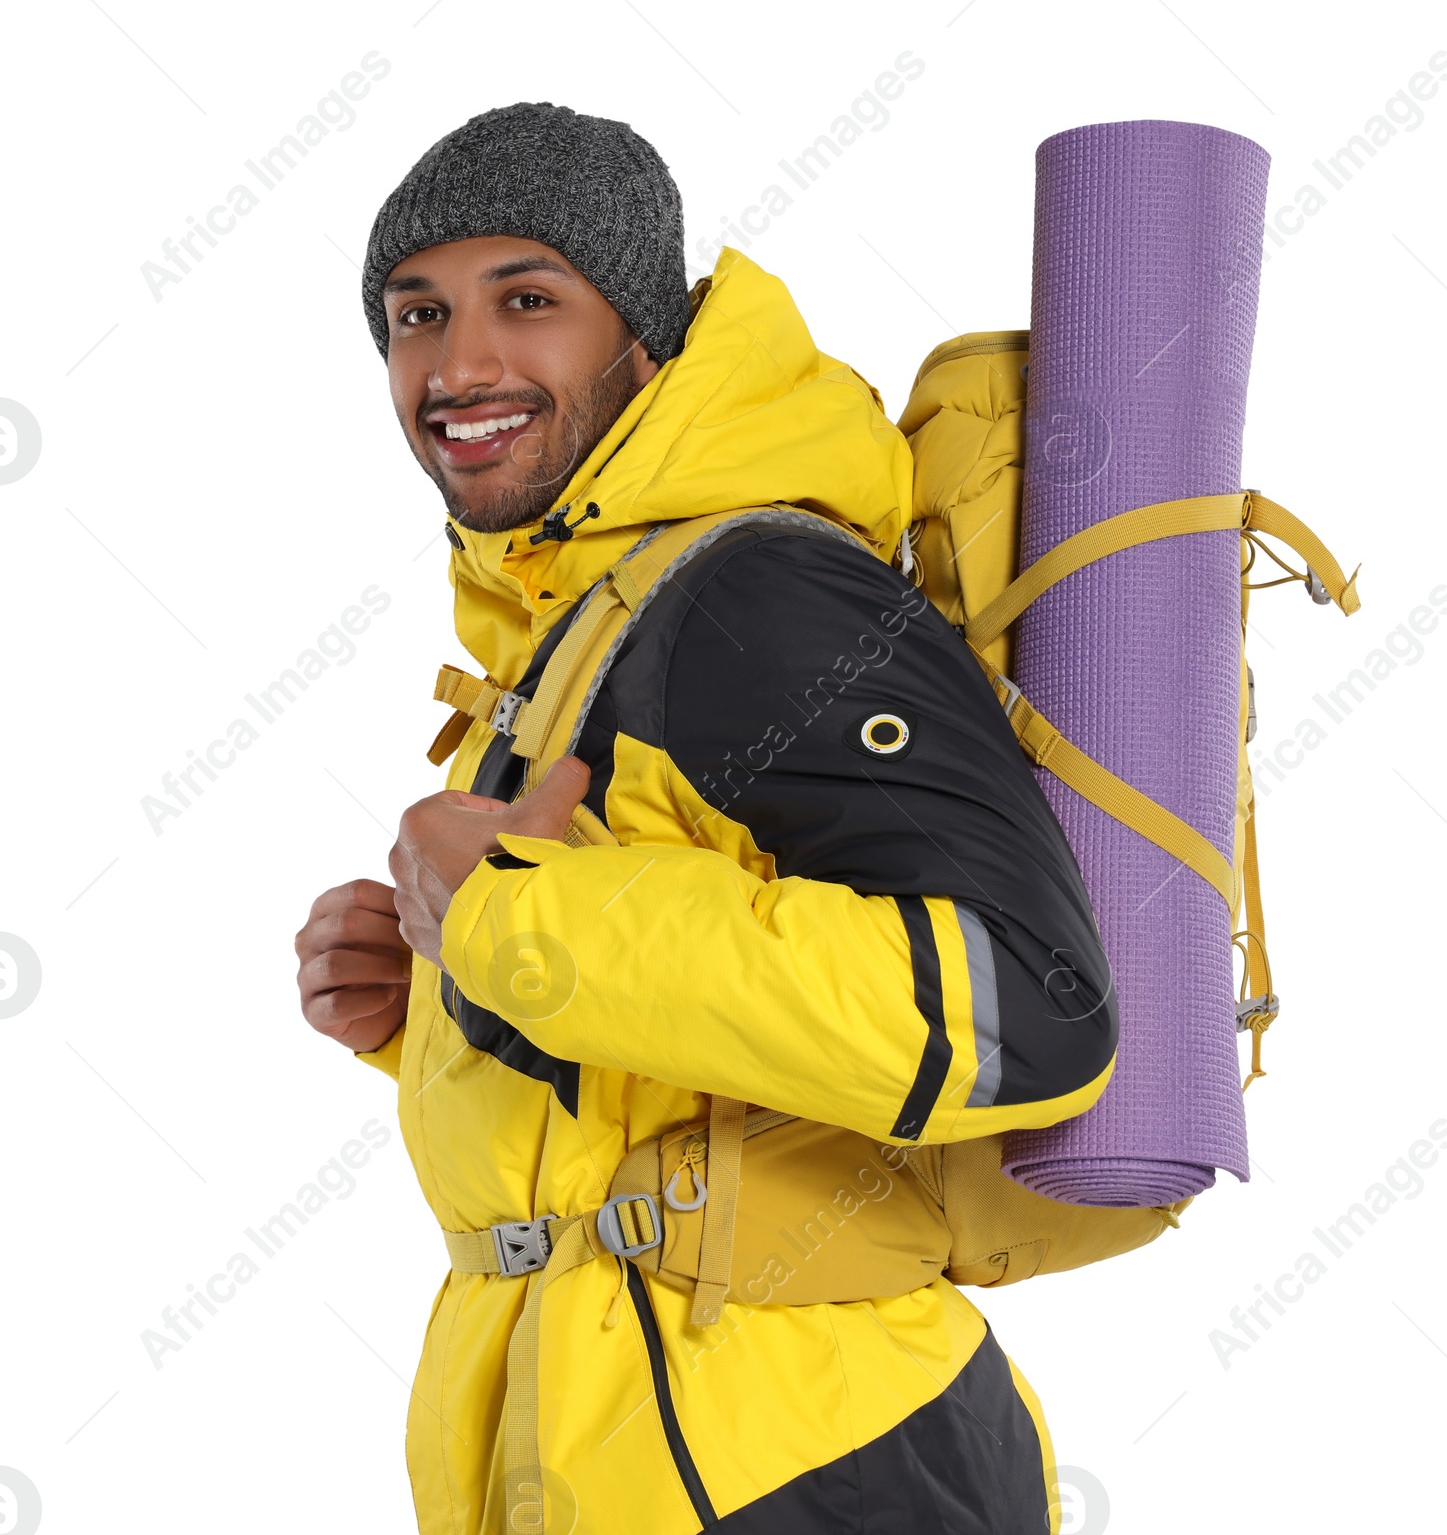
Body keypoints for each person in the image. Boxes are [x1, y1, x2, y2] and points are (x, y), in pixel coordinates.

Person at [294, 101, 1117, 1534]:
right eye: (416, 315)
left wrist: (514, 919)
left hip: (807, 1464)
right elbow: (670, 1042)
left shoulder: (761, 594)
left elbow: (1027, 1010)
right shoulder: (578, 622)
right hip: (611, 1445)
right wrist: (436, 998)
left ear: (647, 340)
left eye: (528, 300)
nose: (459, 363)